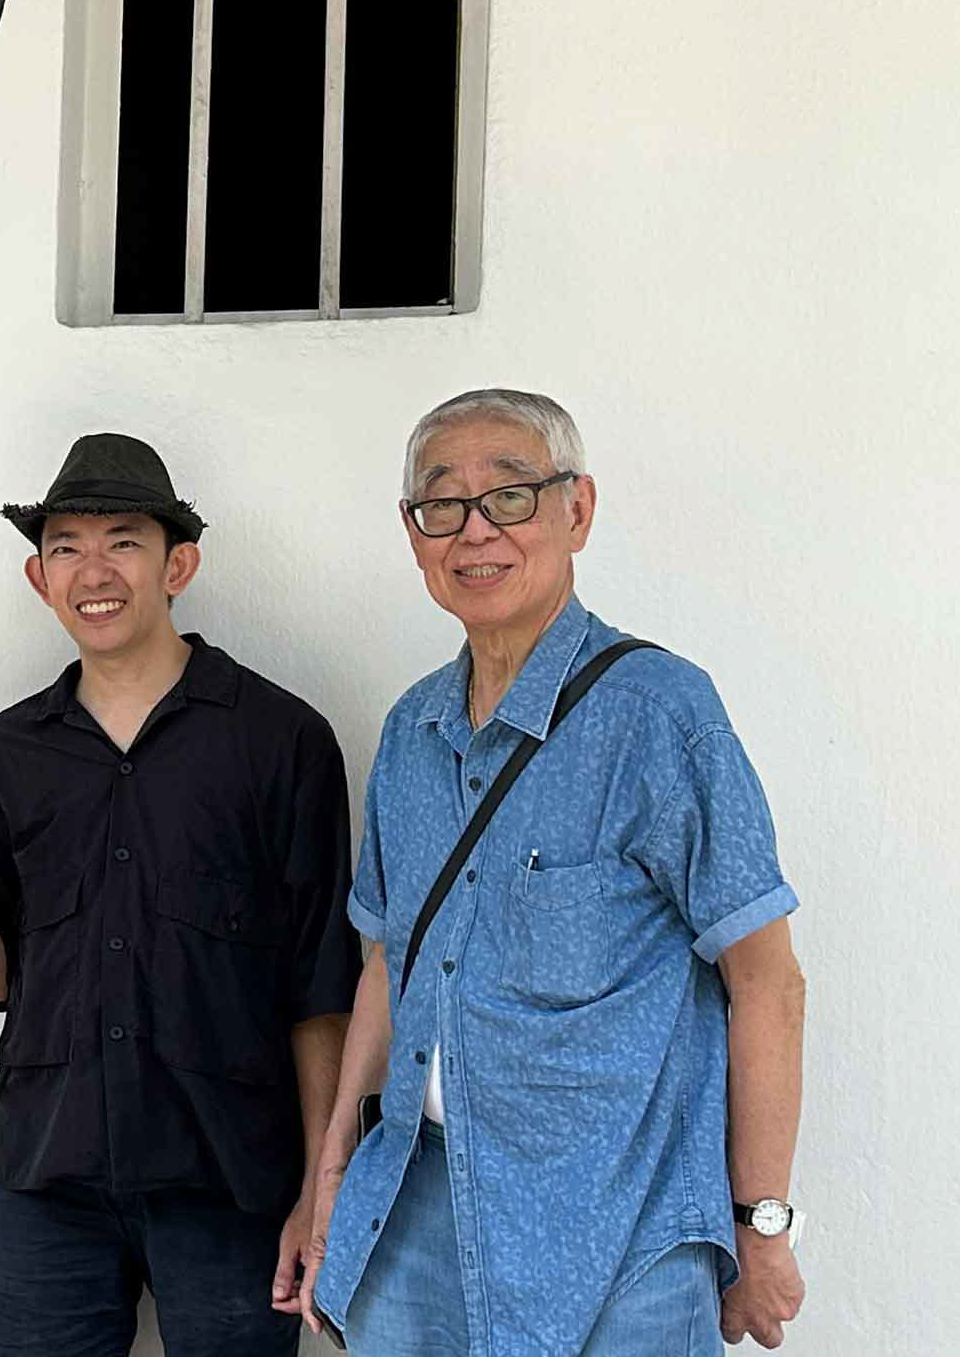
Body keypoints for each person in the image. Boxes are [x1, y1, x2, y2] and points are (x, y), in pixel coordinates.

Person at [295, 389, 810, 1356]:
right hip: (418, 1215)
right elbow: (388, 966)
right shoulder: (411, 732)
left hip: (623, 1223)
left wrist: (761, 1223)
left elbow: (766, 980)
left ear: (578, 510)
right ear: (413, 534)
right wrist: (330, 1190)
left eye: (511, 495)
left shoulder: (659, 713)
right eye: (442, 503)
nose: (474, 529)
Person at [0, 434, 358, 1357]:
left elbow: (320, 988)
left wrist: (319, 1188)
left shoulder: (280, 740)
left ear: (179, 566)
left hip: (231, 1185)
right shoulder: (4, 757)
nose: (93, 571)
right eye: (66, 547)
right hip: (46, 1183)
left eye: (123, 541)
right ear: (38, 578)